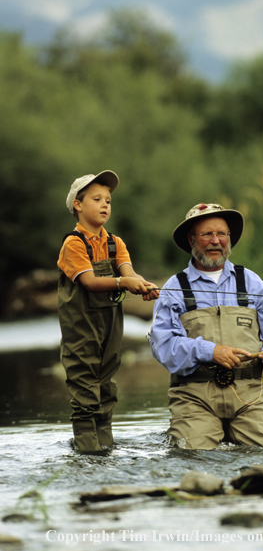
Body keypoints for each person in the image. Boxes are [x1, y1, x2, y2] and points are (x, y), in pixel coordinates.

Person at [149, 202, 263, 450]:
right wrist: (210, 351)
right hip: (193, 397)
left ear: (229, 238)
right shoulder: (174, 287)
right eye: (207, 234)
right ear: (191, 239)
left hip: (252, 394)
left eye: (222, 234)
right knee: (191, 456)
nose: (215, 241)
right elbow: (163, 345)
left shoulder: (251, 281)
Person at [58, 170, 158, 454]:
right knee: (85, 386)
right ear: (78, 205)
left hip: (110, 326)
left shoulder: (116, 243)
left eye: (109, 201)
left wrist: (143, 285)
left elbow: (129, 273)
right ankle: (88, 450)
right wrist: (124, 282)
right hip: (81, 328)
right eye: (97, 199)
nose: (105, 205)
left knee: (106, 385)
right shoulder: (73, 244)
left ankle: (106, 448)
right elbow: (89, 282)